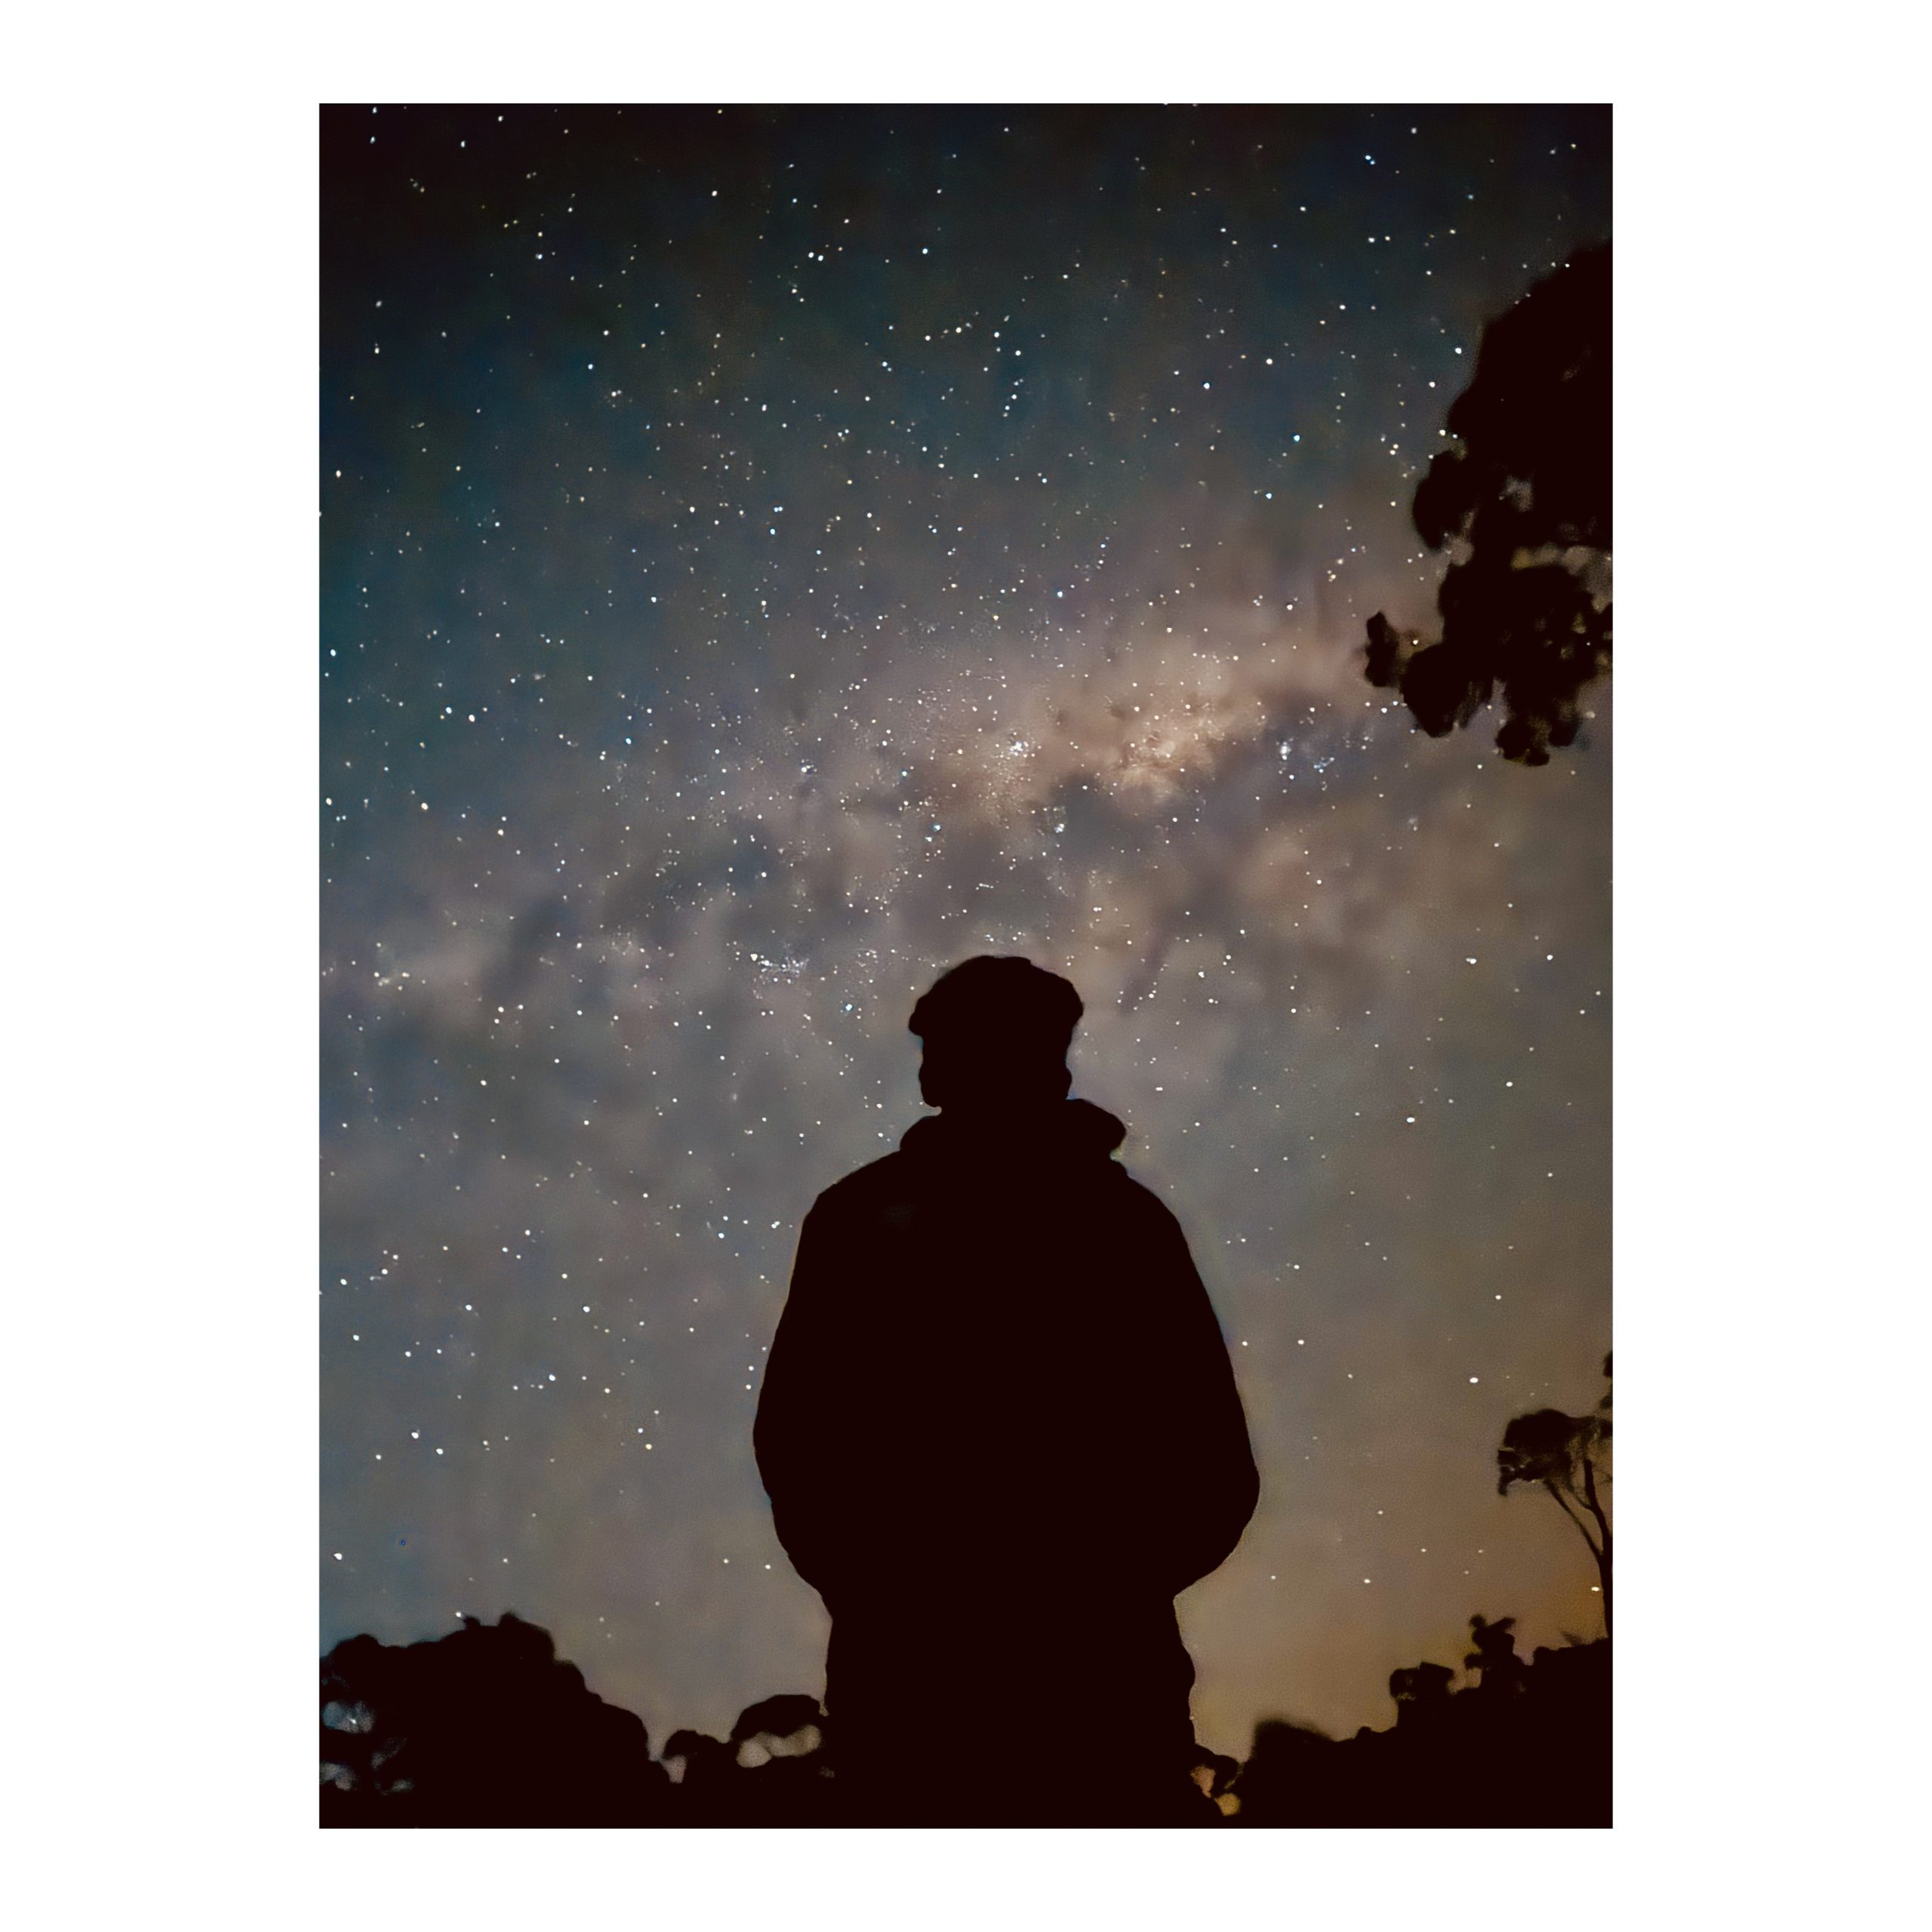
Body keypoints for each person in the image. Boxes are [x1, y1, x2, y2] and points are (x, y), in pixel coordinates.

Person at [753, 955, 1259, 1824]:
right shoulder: (862, 1220)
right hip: (936, 1679)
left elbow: (1209, 1455)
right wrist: (883, 1593)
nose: (925, 1067)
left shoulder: (1119, 1225)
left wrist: (1104, 1590)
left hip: (1070, 1681)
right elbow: (798, 1435)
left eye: (943, 1044)